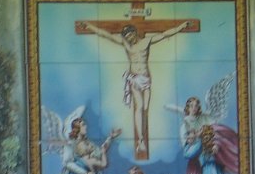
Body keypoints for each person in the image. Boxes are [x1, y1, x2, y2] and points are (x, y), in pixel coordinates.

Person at [79, 20, 190, 159]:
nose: (129, 39)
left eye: (130, 36)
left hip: (146, 79)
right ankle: (141, 141)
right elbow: (106, 35)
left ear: (135, 33)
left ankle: (143, 139)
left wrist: (181, 27)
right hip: (134, 79)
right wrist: (90, 27)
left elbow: (165, 34)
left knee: (145, 109)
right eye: (127, 37)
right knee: (139, 107)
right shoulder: (126, 44)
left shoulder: (146, 41)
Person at [177, 96, 239, 174]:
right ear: (187, 107)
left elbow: (214, 132)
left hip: (211, 157)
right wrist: (199, 139)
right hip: (197, 163)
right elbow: (188, 150)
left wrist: (215, 143)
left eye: (196, 105)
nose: (194, 108)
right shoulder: (185, 125)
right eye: (191, 106)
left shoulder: (204, 118)